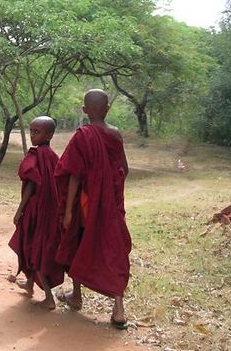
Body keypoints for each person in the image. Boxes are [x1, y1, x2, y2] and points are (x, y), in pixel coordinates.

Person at [55, 89, 132, 329]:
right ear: (107, 109)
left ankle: (76, 295)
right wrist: (110, 192)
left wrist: (68, 212)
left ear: (84, 110)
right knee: (115, 248)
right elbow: (124, 169)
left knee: (77, 241)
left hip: (86, 204)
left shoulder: (82, 136)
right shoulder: (115, 134)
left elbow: (73, 176)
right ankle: (118, 309)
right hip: (110, 205)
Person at [9, 116, 64, 310]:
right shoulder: (52, 155)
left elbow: (31, 184)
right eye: (31, 131)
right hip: (50, 211)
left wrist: (19, 209)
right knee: (33, 246)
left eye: (37, 132)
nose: (33, 135)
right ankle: (30, 284)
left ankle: (49, 297)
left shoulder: (34, 155)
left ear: (49, 134)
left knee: (34, 250)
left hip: (35, 210)